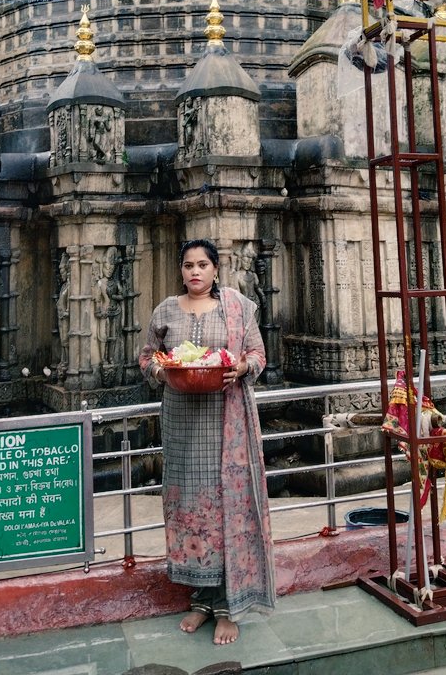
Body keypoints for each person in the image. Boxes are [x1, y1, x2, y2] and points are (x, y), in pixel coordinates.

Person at [139, 238, 275, 646]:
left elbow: (258, 355)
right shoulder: (165, 309)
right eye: (187, 265)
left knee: (223, 506)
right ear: (180, 270)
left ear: (216, 270)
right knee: (187, 507)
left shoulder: (236, 307)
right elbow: (148, 356)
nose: (194, 272)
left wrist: (243, 366)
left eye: (202, 265)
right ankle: (201, 599)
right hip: (182, 424)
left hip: (225, 422)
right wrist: (162, 372)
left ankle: (227, 607)